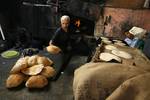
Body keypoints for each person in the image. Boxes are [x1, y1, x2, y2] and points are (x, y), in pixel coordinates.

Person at [49, 15, 91, 80]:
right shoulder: (59, 31)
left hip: (68, 48)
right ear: (61, 23)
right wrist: (54, 48)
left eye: (67, 23)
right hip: (60, 50)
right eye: (63, 23)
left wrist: (79, 36)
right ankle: (56, 77)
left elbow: (75, 33)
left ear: (69, 23)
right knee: (61, 66)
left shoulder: (69, 29)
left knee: (83, 50)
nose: (65, 25)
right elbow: (51, 42)